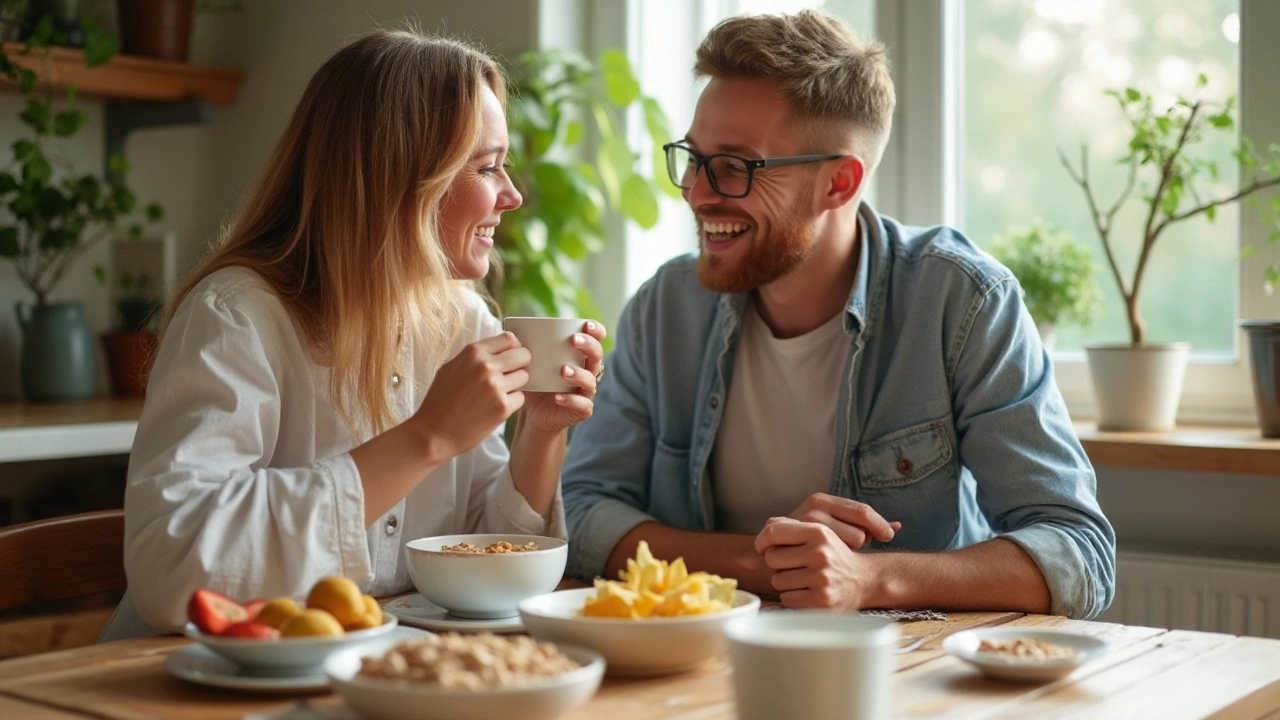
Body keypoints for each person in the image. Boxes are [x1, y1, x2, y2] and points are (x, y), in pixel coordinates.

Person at [561, 10, 1115, 619]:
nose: (696, 192)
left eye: (734, 166)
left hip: (906, 671)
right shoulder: (665, 309)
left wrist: (869, 579)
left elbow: (1077, 552)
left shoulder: (961, 303)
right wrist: (760, 561)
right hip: (699, 660)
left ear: (839, 183)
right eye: (693, 158)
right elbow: (584, 508)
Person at [102, 28, 606, 638]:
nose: (513, 194)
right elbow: (173, 569)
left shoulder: (461, 322)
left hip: (371, 679)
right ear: (399, 177)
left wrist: (541, 433)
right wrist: (425, 437)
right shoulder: (237, 316)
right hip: (193, 683)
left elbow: (483, 553)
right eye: (487, 167)